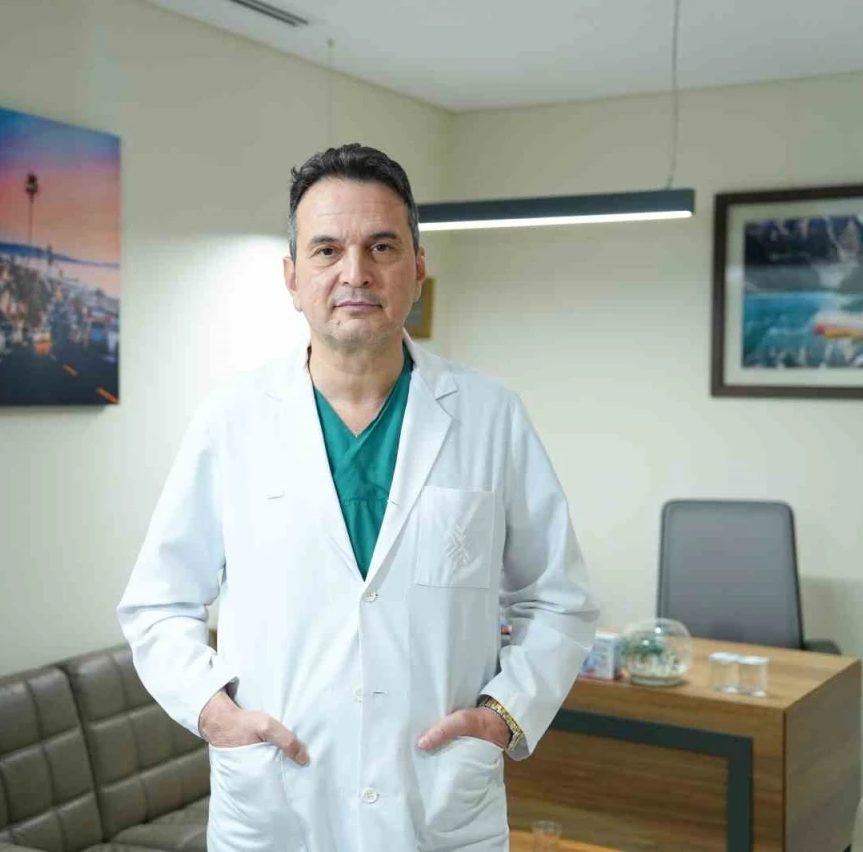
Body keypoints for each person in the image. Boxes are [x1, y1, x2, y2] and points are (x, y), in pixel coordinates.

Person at [117, 143, 599, 852]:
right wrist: (215, 713)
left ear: (418, 269)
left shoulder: (491, 416)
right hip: (279, 802)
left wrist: (504, 713)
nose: (355, 273)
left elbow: (559, 599)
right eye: (326, 250)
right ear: (292, 278)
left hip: (436, 803)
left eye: (382, 246)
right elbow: (157, 606)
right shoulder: (231, 420)